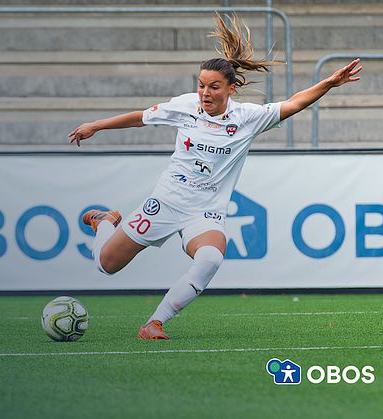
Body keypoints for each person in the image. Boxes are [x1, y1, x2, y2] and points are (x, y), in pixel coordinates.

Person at [68, 14, 361, 340]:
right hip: (165, 202)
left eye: (213, 86)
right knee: (105, 264)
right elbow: (140, 118)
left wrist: (329, 84)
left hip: (205, 210)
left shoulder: (248, 118)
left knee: (210, 258)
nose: (205, 93)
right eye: (201, 85)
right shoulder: (185, 106)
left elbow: (293, 104)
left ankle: (155, 322)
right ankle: (105, 221)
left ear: (231, 89)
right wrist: (95, 125)